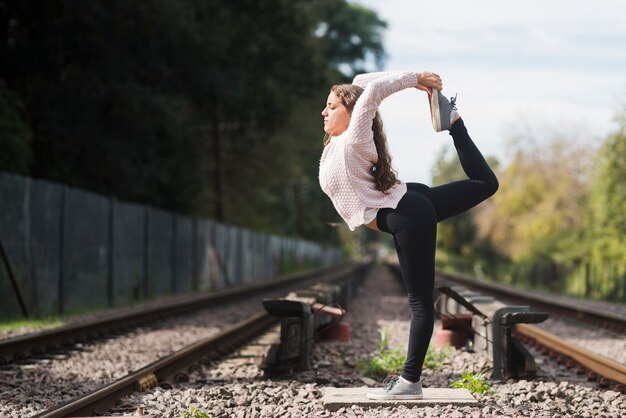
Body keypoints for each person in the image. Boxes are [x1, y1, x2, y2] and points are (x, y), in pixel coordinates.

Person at [318, 71, 499, 400]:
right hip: (407, 200)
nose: (324, 112)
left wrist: (415, 77)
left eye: (330, 106)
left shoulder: (356, 135)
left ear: (350, 112)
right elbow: (363, 80)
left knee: (418, 303)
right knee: (487, 184)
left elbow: (370, 91)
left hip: (408, 214)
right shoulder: (339, 139)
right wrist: (414, 83)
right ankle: (453, 121)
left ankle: (410, 382)